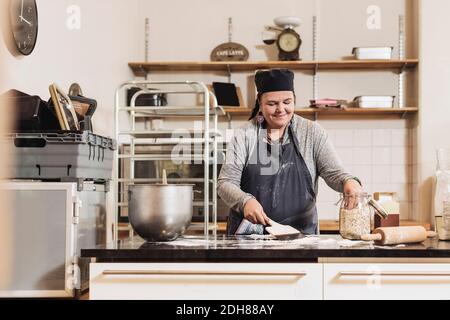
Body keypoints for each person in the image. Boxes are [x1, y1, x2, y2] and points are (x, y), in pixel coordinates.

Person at [217, 68, 362, 235]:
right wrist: (245, 201)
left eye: (287, 102)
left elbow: (334, 173)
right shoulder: (244, 135)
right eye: (272, 104)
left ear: (294, 99)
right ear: (260, 102)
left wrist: (348, 182)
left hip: (301, 236)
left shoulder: (312, 132)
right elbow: (225, 183)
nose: (281, 109)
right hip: (250, 236)